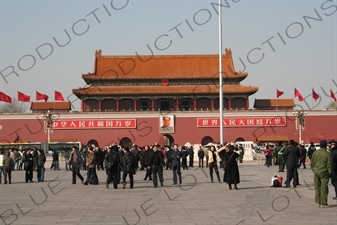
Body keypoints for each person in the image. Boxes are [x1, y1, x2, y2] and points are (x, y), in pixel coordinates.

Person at [310, 140, 333, 208]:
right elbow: (329, 165)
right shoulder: (327, 154)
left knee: (317, 187)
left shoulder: (315, 153)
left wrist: (314, 170)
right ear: (326, 145)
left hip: (316, 172)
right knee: (324, 188)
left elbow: (312, 163)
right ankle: (323, 203)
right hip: (324, 173)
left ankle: (318, 202)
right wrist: (329, 173)